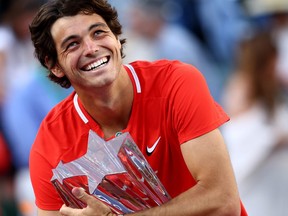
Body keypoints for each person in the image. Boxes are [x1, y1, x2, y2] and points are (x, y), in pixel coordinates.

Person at [29, 0, 247, 215]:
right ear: (55, 66)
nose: (91, 48)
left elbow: (223, 202)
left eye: (98, 33)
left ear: (116, 38)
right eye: (73, 44)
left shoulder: (177, 83)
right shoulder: (50, 145)